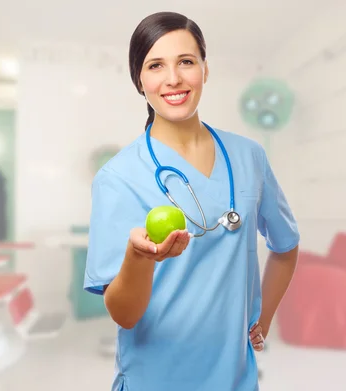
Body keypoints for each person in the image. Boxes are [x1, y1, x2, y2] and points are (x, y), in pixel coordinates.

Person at [84, 11, 300, 391]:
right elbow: (124, 315)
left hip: (235, 379)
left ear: (205, 68)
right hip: (154, 379)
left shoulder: (249, 157)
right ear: (139, 80)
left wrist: (262, 320)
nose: (173, 79)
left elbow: (286, 245)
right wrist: (139, 259)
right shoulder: (117, 178)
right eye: (155, 65)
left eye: (186, 61)